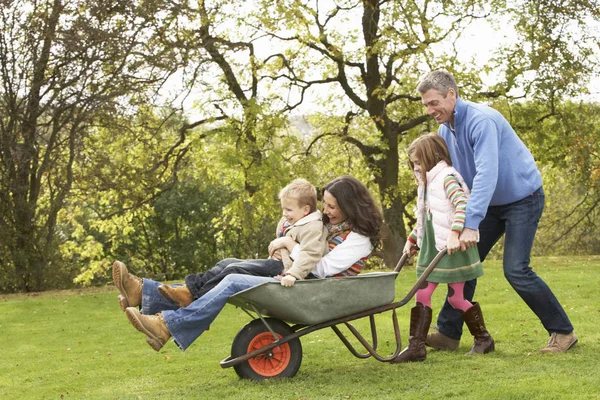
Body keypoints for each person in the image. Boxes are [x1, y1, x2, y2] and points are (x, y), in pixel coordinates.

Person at [112, 175, 383, 352]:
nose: (326, 211)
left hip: (310, 288)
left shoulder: (359, 238)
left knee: (232, 279)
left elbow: (321, 268)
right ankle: (149, 296)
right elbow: (304, 234)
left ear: (351, 206)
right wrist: (287, 233)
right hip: (298, 280)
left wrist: (289, 245)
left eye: (332, 207)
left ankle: (167, 322)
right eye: (325, 205)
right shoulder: (331, 225)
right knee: (229, 262)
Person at [416, 69, 576, 353]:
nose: (430, 110)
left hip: (522, 198)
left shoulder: (482, 120)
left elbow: (487, 174)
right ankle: (448, 334)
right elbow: (452, 178)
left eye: (434, 103)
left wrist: (470, 223)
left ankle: (563, 333)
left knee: (516, 269)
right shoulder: (444, 130)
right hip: (486, 202)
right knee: (463, 263)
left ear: (451, 94)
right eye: (426, 105)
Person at [391, 134, 492, 364]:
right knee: (423, 292)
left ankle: (483, 339)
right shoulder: (427, 182)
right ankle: (416, 346)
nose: (416, 168)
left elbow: (462, 205)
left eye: (418, 162)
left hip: (450, 248)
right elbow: (427, 217)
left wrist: (455, 235)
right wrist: (413, 238)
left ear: (432, 156)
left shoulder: (446, 178)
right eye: (413, 164)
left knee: (457, 298)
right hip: (432, 246)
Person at [155, 178, 329, 308]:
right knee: (226, 262)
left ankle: (195, 298)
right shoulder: (293, 222)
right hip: (276, 263)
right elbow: (282, 240)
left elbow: (310, 254)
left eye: (289, 209)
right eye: (283, 208)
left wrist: (293, 274)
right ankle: (188, 289)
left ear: (306, 210)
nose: (284, 213)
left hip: (285, 270)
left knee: (234, 270)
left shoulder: (313, 227)